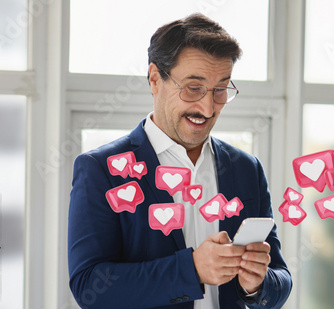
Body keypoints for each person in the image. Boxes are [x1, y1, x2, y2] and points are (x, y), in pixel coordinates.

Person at [68, 13, 292, 309]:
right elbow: (88, 288)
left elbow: (280, 277)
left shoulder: (246, 169)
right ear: (154, 79)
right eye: (193, 88)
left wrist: (257, 284)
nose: (208, 107)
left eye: (220, 90)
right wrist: (192, 270)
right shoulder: (100, 170)